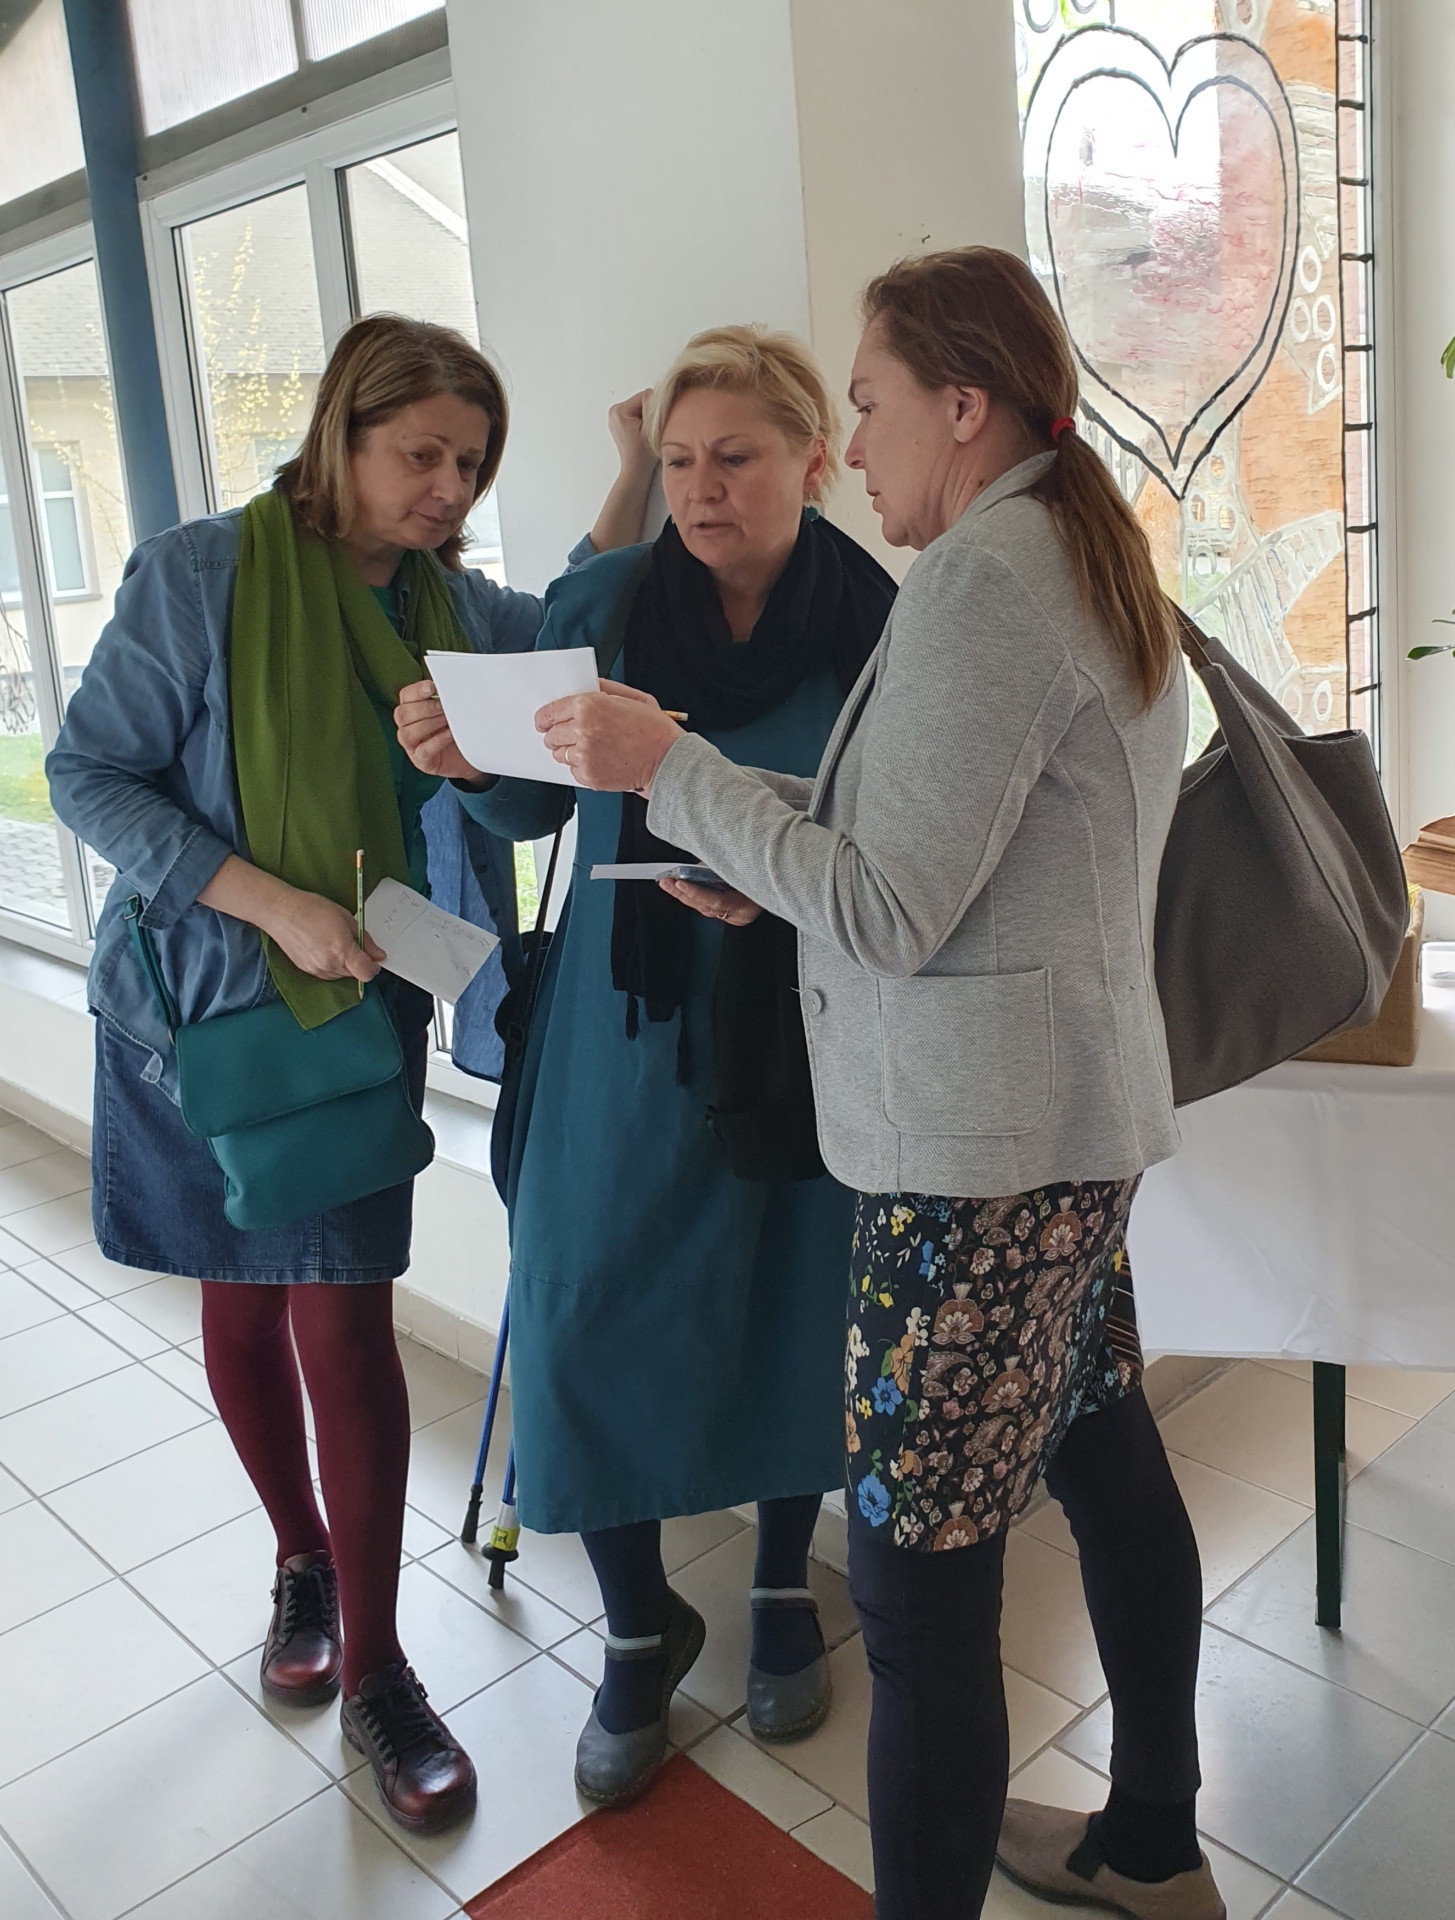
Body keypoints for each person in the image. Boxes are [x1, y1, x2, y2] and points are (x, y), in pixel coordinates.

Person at [530, 250, 1223, 1920]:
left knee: (915, 1599)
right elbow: (940, 842)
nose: (856, 441)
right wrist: (746, 848)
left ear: (961, 406)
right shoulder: (1065, 541)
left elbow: (893, 906)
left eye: (867, 403)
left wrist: (671, 771)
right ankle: (1152, 1836)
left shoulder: (989, 581)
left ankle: (1122, 1847)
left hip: (976, 1164)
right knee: (1106, 1460)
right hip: (1059, 1128)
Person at [45, 315, 651, 1837]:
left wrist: (643, 468)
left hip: (353, 1028)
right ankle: (298, 1558)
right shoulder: (202, 575)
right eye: (419, 454)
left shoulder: (455, 607)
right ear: (341, 435)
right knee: (241, 1303)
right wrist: (273, 905)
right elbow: (85, 774)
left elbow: (576, 620)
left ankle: (380, 1668)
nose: (447, 488)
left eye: (470, 463)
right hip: (197, 1018)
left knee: (345, 1324)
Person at [395, 326, 897, 1807]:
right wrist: (468, 765)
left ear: (814, 460)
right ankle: (634, 1626)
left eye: (734, 457)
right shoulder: (605, 602)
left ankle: (783, 1589)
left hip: (806, 1021)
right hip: (621, 1032)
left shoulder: (882, 624)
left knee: (793, 1296)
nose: (698, 488)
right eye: (677, 460)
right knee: (584, 1304)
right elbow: (528, 815)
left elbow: (893, 846)